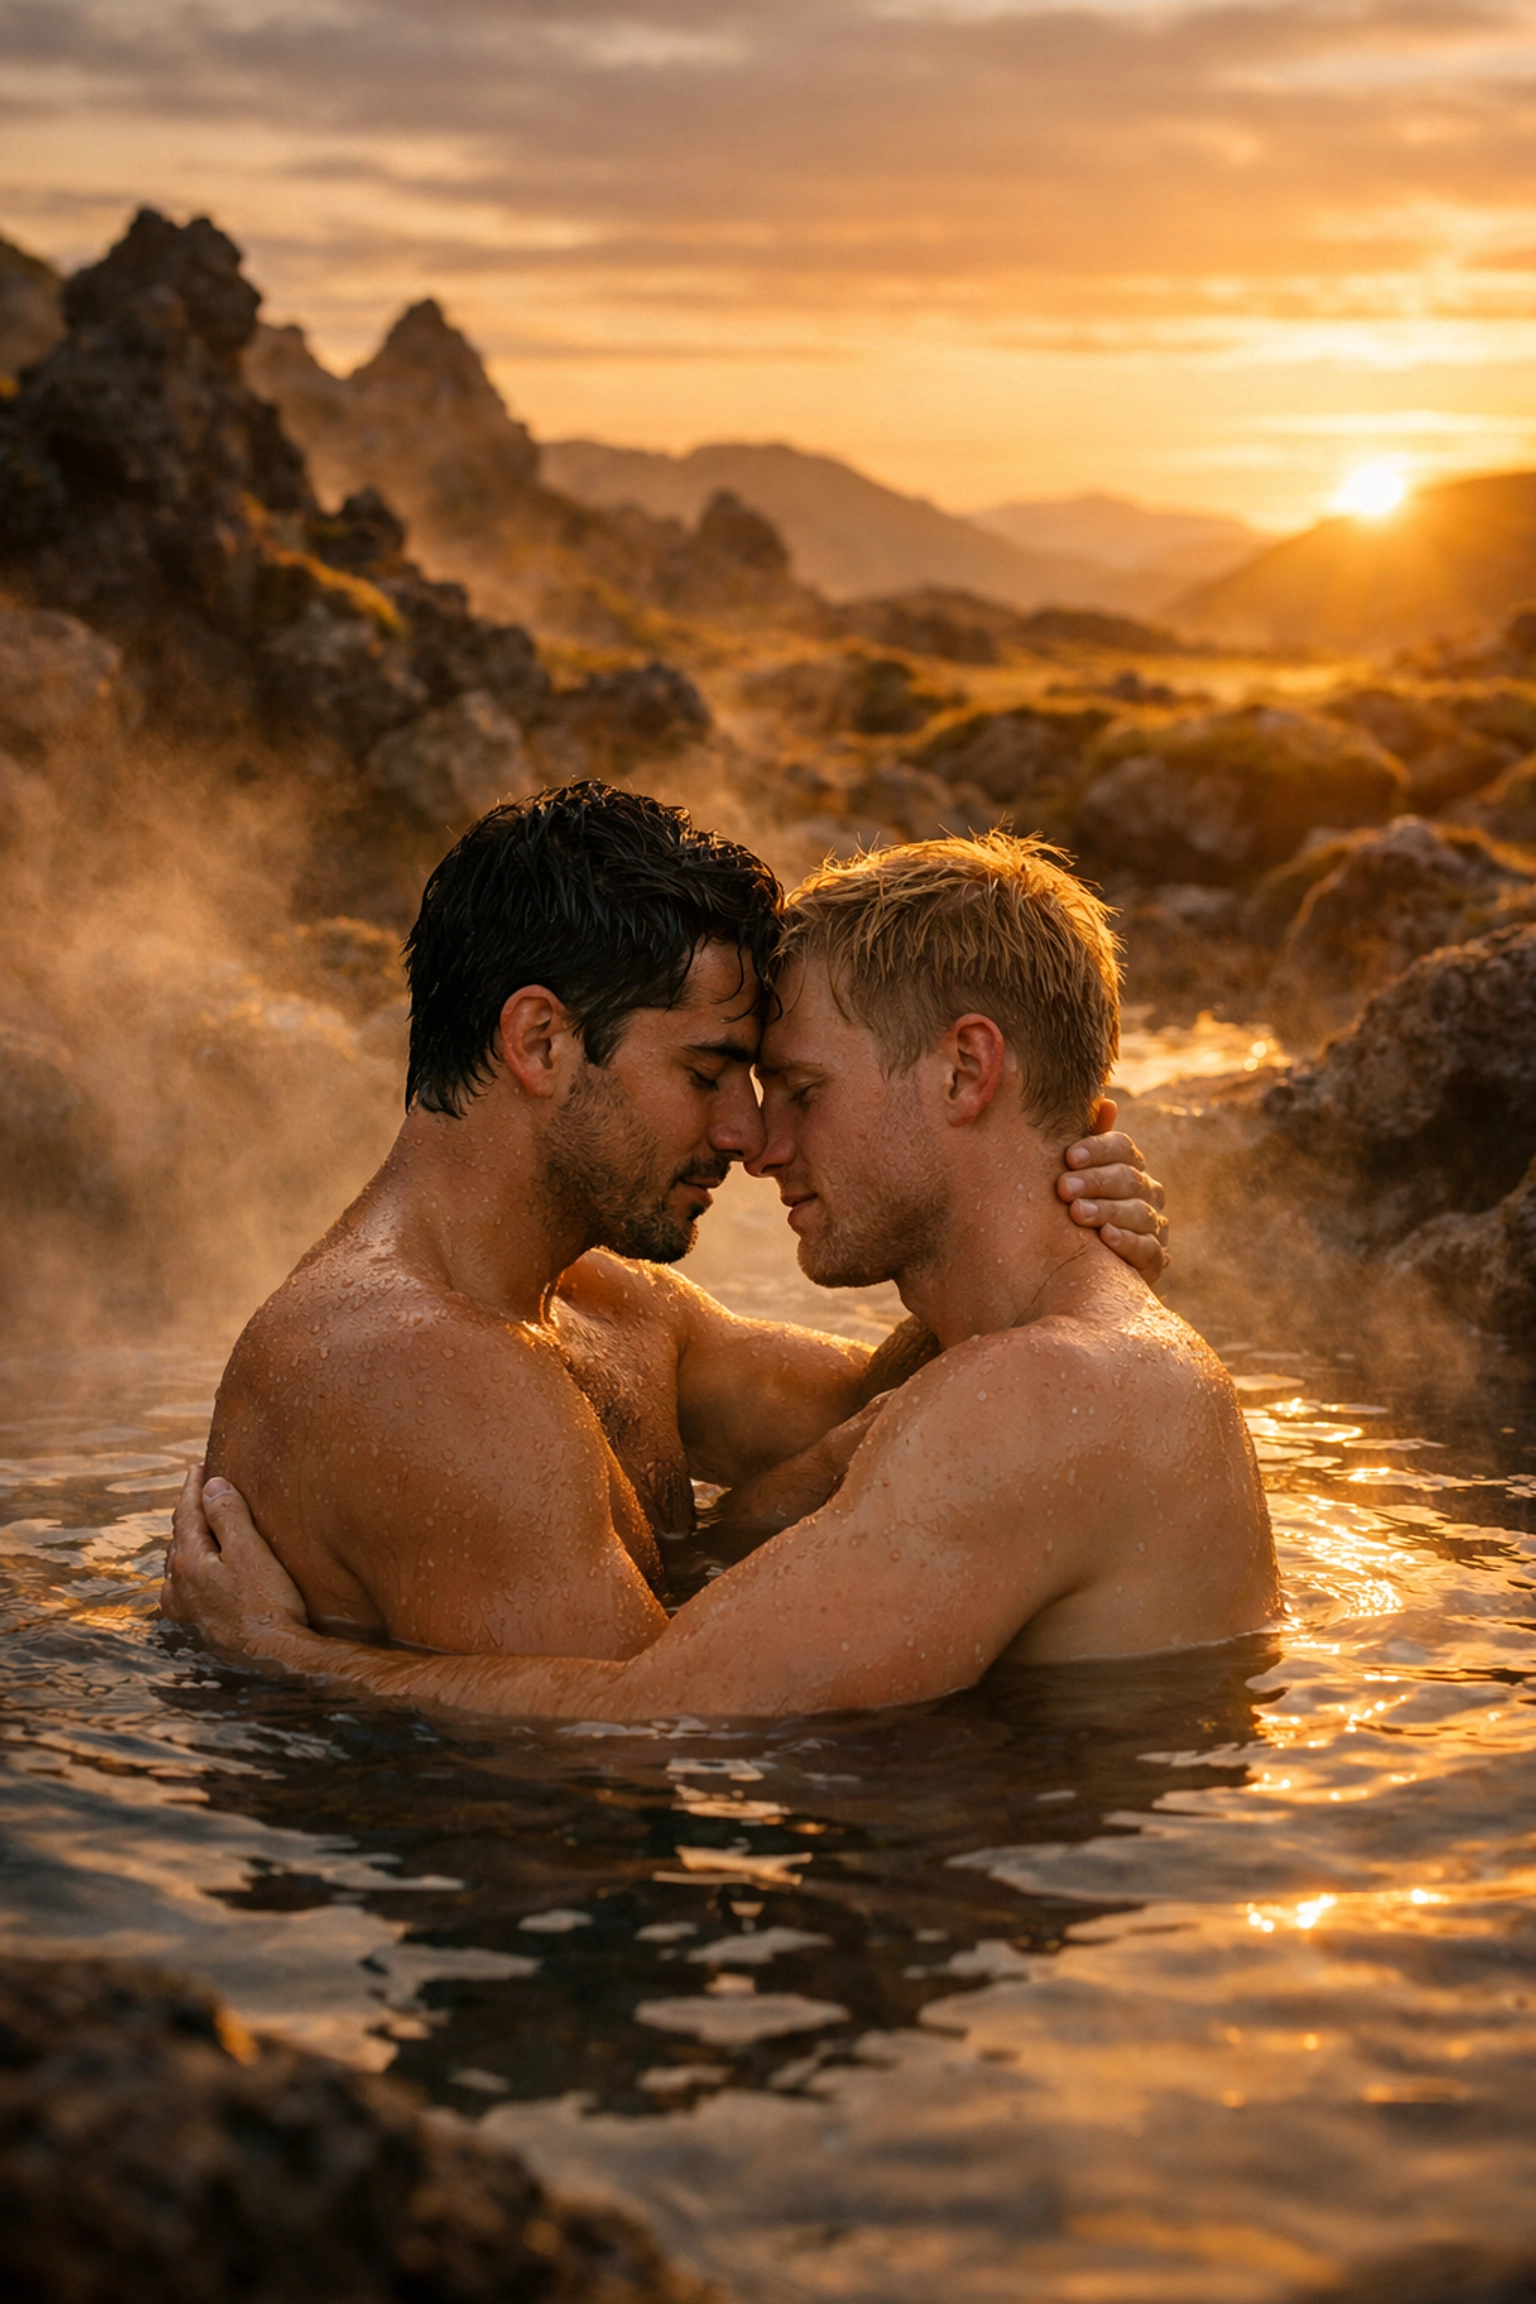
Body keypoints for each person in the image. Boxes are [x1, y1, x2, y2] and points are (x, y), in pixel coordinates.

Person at [164, 828, 1276, 1719]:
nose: (752, 1134)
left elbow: (864, 1441)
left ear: (967, 1070)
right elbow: (661, 1735)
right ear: (542, 1045)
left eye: (793, 1087)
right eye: (713, 1072)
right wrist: (1059, 1262)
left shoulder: (615, 1312)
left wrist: (287, 1663)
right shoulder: (413, 1374)